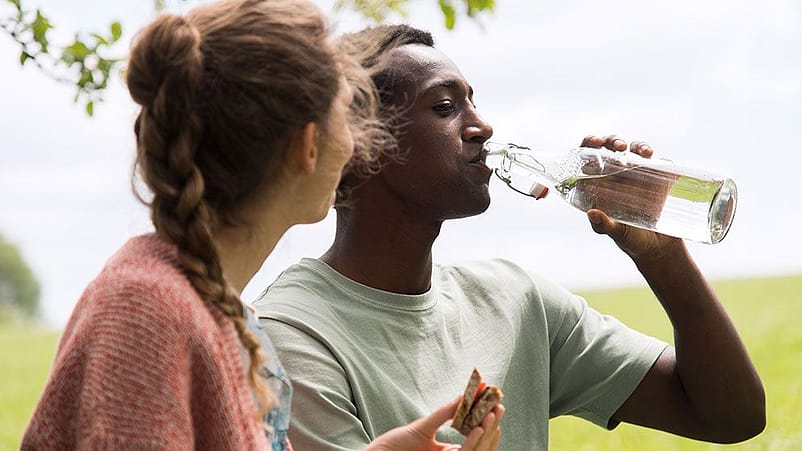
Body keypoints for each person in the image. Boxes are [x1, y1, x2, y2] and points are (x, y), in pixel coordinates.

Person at [253, 24, 766, 450]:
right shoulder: (291, 335)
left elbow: (731, 415)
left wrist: (664, 257)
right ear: (362, 146)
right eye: (445, 107)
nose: (483, 126)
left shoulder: (516, 301)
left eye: (472, 102)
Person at [21, 5, 502, 450]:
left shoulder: (232, 320)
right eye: (347, 118)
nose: (360, 142)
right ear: (307, 145)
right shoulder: (146, 309)